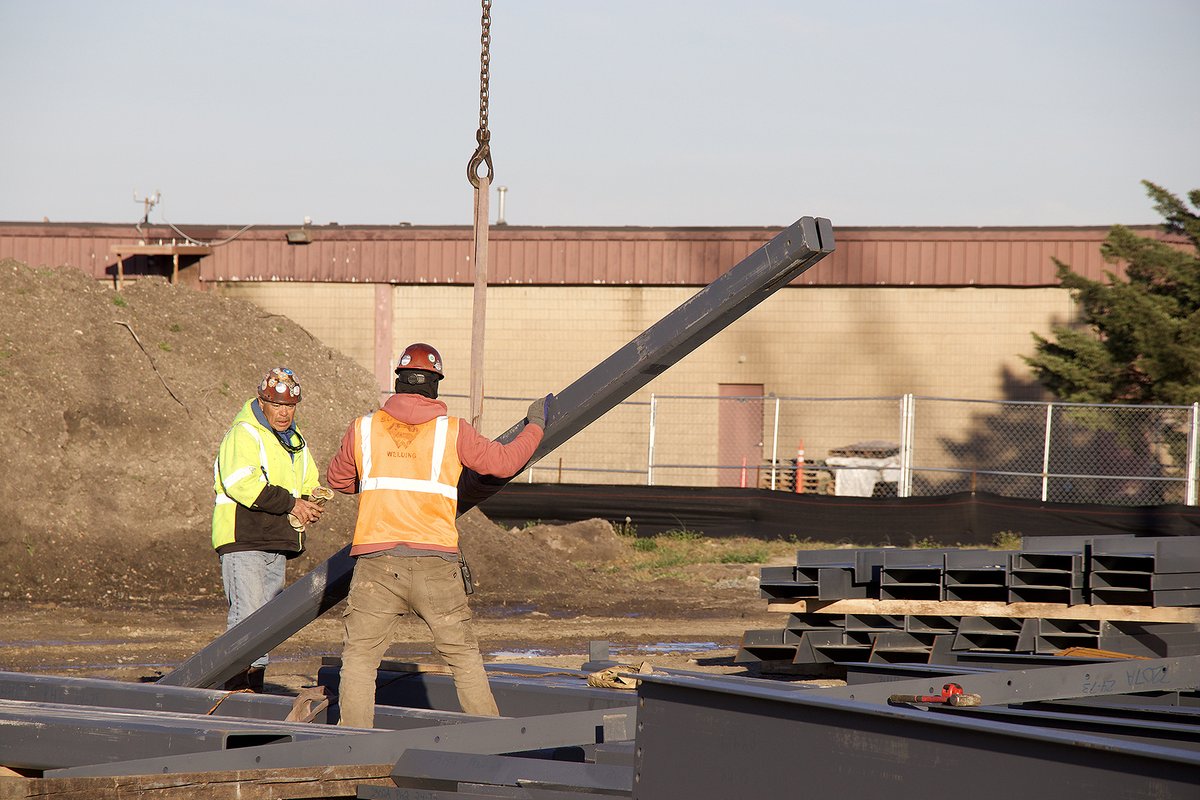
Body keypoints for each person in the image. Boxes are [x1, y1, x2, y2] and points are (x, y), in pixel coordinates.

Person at [327, 342, 549, 727]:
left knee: (360, 659)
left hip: (377, 565)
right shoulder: (454, 431)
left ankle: (353, 745)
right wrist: (536, 425)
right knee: (463, 657)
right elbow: (506, 462)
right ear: (435, 385)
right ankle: (492, 741)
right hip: (436, 564)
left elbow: (338, 480)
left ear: (398, 382)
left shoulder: (363, 428)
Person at [211, 366, 326, 692]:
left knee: (265, 621)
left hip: (277, 538)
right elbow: (241, 483)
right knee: (247, 615)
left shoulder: (294, 440)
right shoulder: (243, 434)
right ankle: (233, 689)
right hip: (243, 536)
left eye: (290, 406)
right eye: (277, 405)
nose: (284, 412)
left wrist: (310, 501)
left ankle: (253, 689)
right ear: (262, 402)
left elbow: (308, 480)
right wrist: (292, 504)